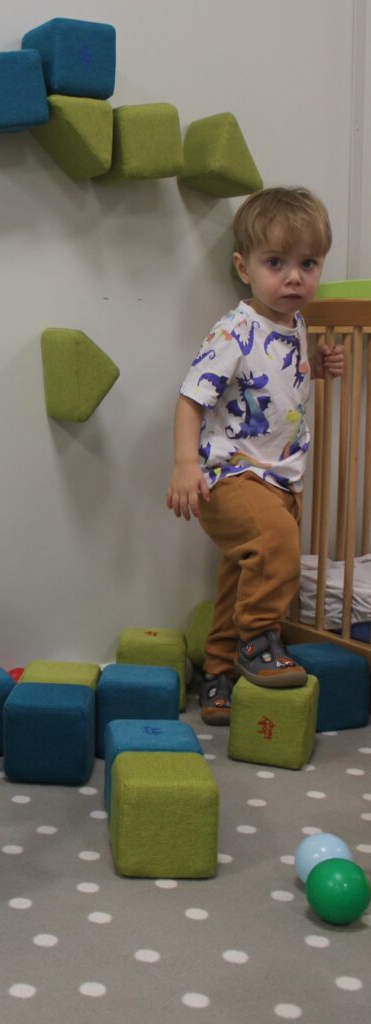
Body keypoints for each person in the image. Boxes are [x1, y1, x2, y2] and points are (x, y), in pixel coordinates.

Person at [166, 187, 344, 726]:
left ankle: (218, 673)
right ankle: (258, 641)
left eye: (308, 264)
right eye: (276, 263)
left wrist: (315, 365)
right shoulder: (234, 330)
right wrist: (185, 464)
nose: (294, 278)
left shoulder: (295, 324)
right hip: (229, 475)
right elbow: (191, 398)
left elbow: (275, 381)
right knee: (276, 546)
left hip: (278, 479)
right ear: (244, 268)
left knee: (240, 577)